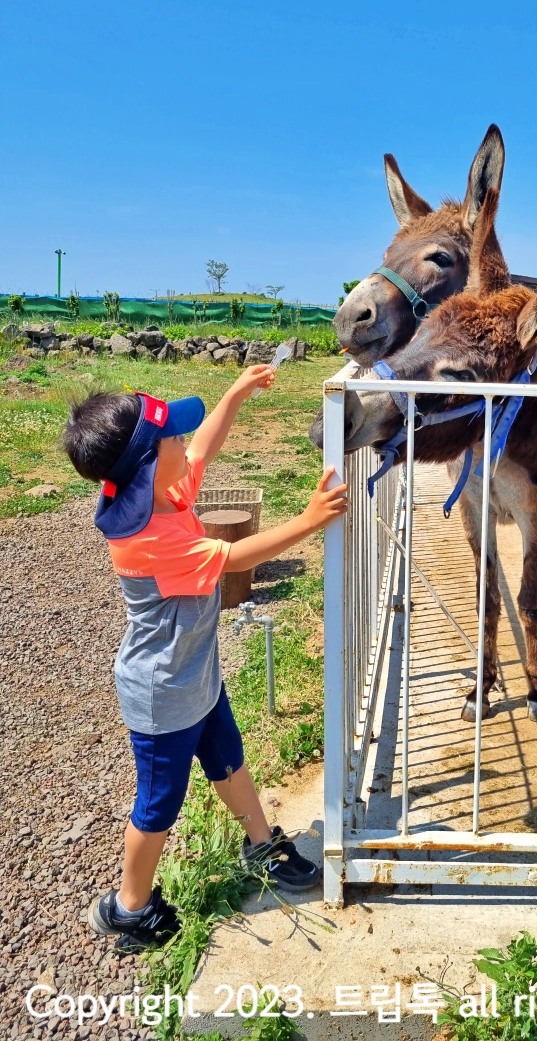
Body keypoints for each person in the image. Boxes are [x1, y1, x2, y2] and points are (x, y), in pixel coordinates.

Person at [62, 364, 348, 948]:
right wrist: (308, 521)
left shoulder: (159, 494)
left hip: (195, 676)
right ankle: (127, 906)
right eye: (169, 440)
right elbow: (236, 557)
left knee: (228, 759)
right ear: (146, 469)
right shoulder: (154, 539)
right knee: (157, 806)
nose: (181, 447)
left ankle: (261, 845)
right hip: (162, 692)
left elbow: (201, 447)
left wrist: (235, 393)